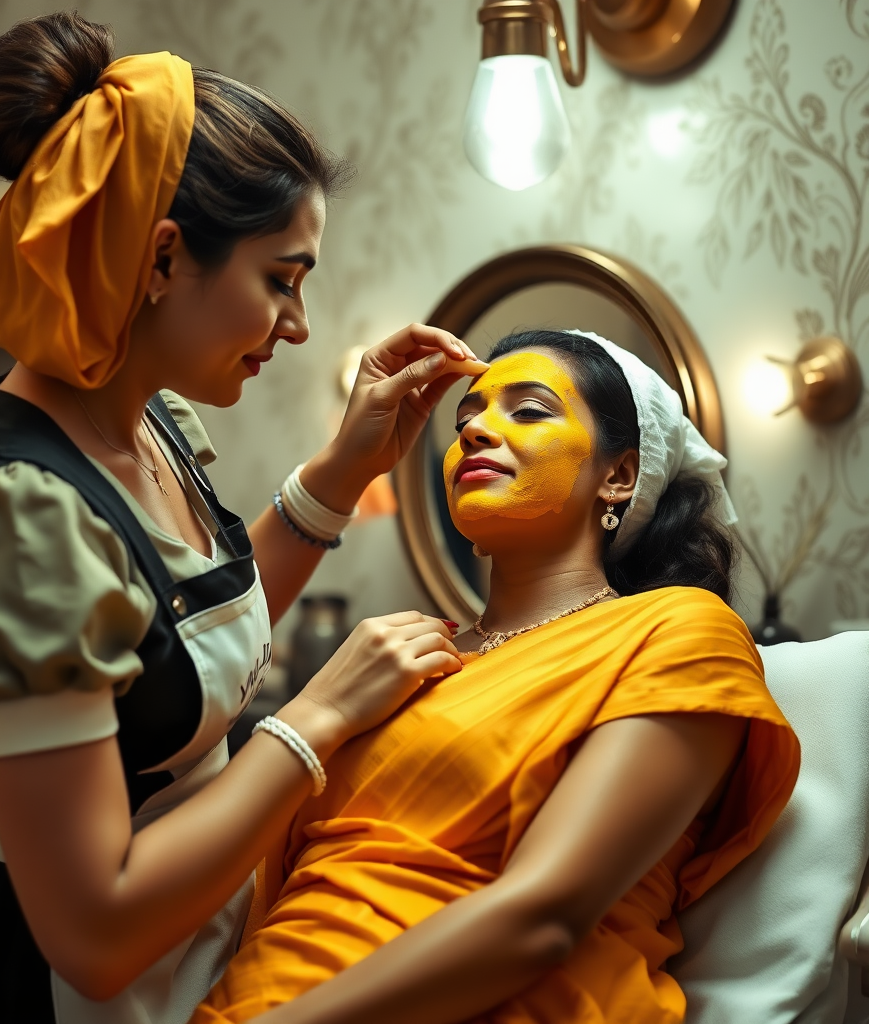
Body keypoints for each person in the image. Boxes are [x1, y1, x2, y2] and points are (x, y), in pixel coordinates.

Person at [0, 13, 488, 1024]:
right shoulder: (18, 523)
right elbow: (97, 932)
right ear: (161, 259)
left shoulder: (146, 420)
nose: (298, 324)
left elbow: (175, 658)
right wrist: (316, 718)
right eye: (279, 279)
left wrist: (343, 469)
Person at [192, 330, 801, 1024]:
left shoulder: (679, 630)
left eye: (530, 410)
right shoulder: (399, 656)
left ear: (620, 475)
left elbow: (540, 918)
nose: (477, 429)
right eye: (464, 420)